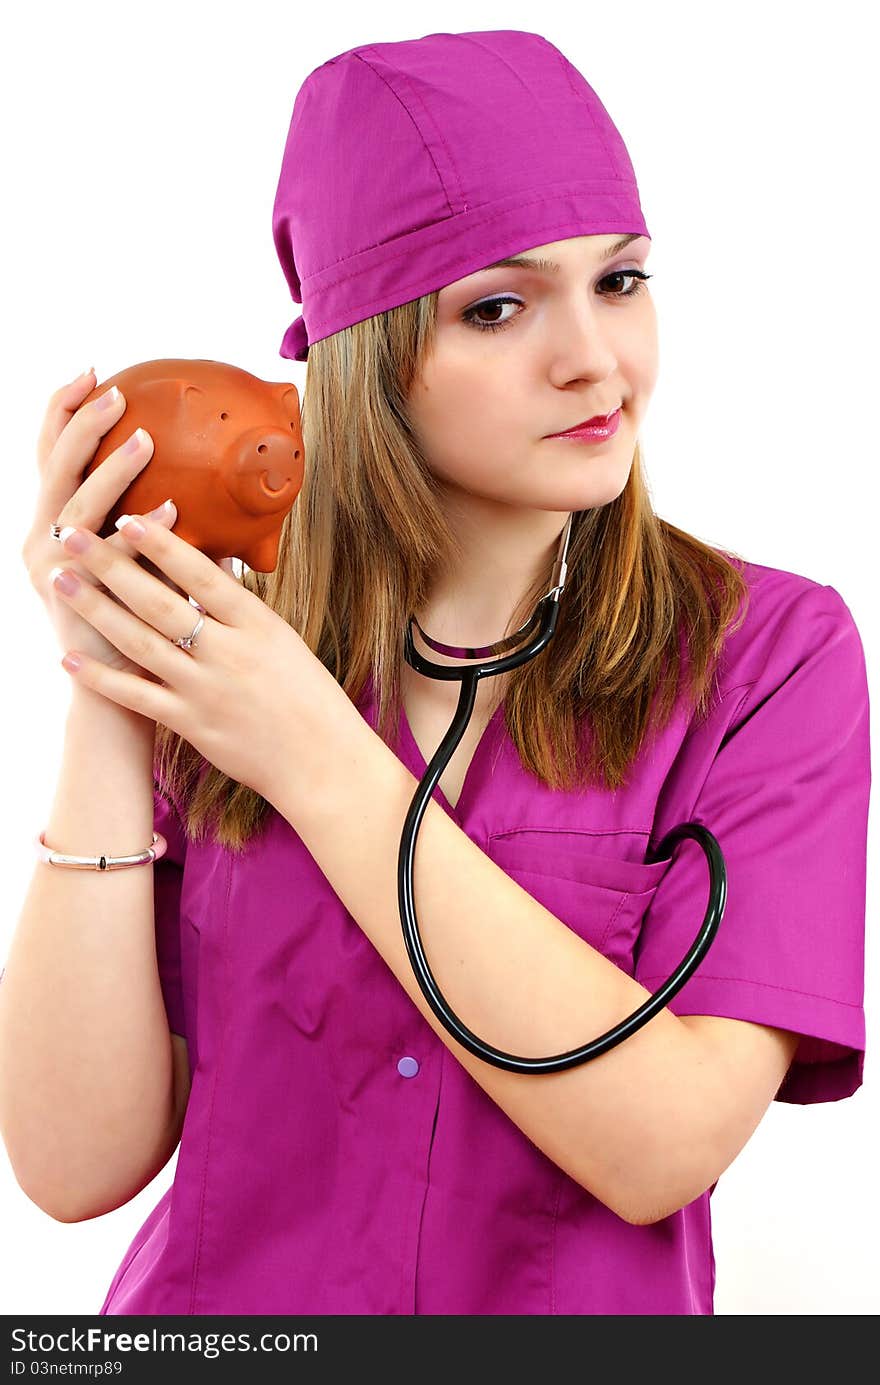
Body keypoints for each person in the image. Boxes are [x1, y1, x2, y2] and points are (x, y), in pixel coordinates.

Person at [1, 29, 870, 1317]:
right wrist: (108, 673)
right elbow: (73, 1167)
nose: (593, 359)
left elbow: (663, 1148)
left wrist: (316, 756)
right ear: (361, 356)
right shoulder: (231, 665)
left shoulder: (767, 660)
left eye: (621, 282)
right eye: (500, 306)